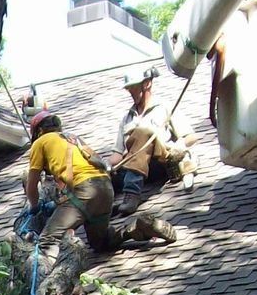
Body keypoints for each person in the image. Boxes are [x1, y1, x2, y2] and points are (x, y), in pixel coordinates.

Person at [23, 109, 177, 269]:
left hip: (83, 191)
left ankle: (47, 279)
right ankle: (135, 229)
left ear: (39, 131)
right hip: (105, 188)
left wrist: (34, 207)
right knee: (101, 243)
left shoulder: (40, 142)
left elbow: (32, 184)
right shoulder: (73, 139)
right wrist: (56, 206)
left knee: (48, 240)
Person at [110, 69, 198, 215]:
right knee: (94, 176)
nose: (130, 91)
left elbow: (191, 136)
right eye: (129, 88)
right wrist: (101, 166)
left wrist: (178, 147)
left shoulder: (164, 108)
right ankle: (100, 212)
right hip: (130, 169)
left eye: (134, 87)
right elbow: (117, 155)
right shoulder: (127, 118)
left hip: (158, 163)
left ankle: (131, 194)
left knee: (142, 132)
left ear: (147, 84)